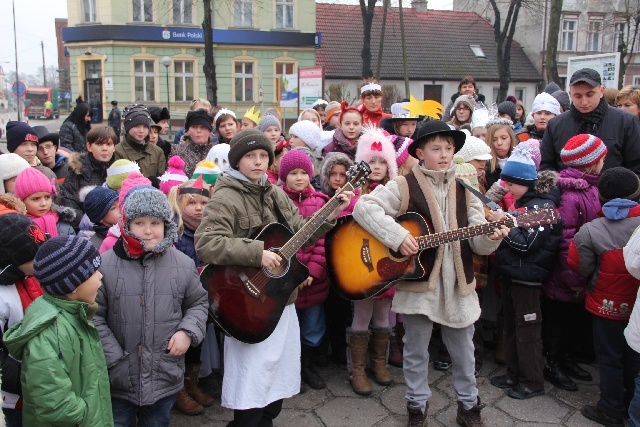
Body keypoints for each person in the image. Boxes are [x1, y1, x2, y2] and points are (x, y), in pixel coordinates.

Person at [352, 120, 508, 426]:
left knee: (464, 352)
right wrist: (396, 236)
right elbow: (364, 207)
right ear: (420, 152)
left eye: (449, 148)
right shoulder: (404, 185)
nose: (444, 154)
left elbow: (478, 243)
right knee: (415, 350)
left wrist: (493, 235)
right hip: (418, 282)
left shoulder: (466, 189)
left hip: (458, 283)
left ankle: (468, 406)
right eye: (436, 148)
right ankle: (416, 405)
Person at [194, 129, 353, 427]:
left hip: (279, 299)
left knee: (279, 373)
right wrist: (257, 253)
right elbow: (206, 243)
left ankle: (265, 420)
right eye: (250, 156)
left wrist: (331, 215)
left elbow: (300, 232)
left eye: (263, 156)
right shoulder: (226, 197)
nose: (257, 162)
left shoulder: (275, 192)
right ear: (237, 161)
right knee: (251, 379)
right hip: (244, 301)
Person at [95, 185, 208, 427]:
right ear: (126, 224)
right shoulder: (105, 265)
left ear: (166, 225)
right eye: (140, 223)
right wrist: (114, 358)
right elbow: (94, 316)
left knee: (157, 421)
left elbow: (198, 302)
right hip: (118, 376)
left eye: (155, 223)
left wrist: (187, 331)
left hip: (164, 373)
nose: (148, 231)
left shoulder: (182, 264)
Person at [4, 236, 113, 427]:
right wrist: (82, 415)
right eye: (94, 273)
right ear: (72, 287)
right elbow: (51, 399)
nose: (100, 276)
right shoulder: (52, 330)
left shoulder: (73, 313)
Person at [569, 167, 640, 426]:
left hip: (605, 307)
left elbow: (579, 265)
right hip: (636, 306)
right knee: (634, 355)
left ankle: (610, 408)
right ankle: (634, 402)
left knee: (609, 357)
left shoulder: (591, 230)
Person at [490, 144, 562, 400]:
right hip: (512, 276)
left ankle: (532, 381)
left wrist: (503, 221)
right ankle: (513, 374)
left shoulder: (544, 209)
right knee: (510, 327)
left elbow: (525, 244)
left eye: (510, 184)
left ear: (524, 182)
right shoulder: (525, 204)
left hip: (527, 280)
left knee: (527, 332)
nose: (506, 189)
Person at [541, 134, 607, 393]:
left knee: (571, 322)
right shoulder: (571, 195)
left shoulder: (592, 188)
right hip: (566, 274)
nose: (604, 161)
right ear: (590, 163)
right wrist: (574, 277)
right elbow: (567, 238)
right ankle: (553, 363)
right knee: (557, 323)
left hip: (581, 272)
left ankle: (567, 359)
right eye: (601, 158)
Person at [347, 127, 398, 396]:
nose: (376, 167)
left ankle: (379, 363)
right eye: (371, 161)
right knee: (361, 316)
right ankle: (357, 369)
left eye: (382, 161)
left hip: (388, 263)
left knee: (383, 316)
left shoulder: (396, 192)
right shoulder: (353, 192)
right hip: (361, 264)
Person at [278, 150, 331, 390]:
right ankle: (291, 369)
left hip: (312, 280)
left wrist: (310, 271)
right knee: (288, 328)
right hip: (286, 278)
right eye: (293, 173)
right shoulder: (277, 201)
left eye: (303, 173)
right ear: (283, 176)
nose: (299, 178)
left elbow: (321, 243)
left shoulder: (320, 202)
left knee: (312, 327)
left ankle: (307, 365)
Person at [167, 178, 216, 416]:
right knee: (179, 347)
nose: (198, 208)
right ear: (179, 202)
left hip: (202, 299)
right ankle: (177, 390)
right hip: (179, 301)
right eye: (192, 202)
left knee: (197, 342)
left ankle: (191, 383)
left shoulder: (211, 229)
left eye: (204, 202)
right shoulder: (175, 231)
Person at [541, 68, 640, 173]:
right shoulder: (556, 124)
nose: (584, 102)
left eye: (590, 95)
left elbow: (636, 165)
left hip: (613, 188)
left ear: (601, 91)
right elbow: (547, 166)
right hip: (566, 188)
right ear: (570, 94)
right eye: (577, 96)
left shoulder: (626, 122)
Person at [0, 213, 46, 427]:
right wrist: (13, 371)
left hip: (39, 378)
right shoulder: (3, 297)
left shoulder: (32, 276)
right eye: (32, 258)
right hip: (15, 388)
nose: (40, 261)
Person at [319, 153, 357, 365]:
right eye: (332, 174)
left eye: (342, 174)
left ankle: (341, 349)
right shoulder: (320, 199)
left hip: (346, 264)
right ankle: (323, 349)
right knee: (326, 309)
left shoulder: (354, 201)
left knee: (343, 310)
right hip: (323, 263)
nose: (337, 179)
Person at [59, 126, 117, 228]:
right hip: (86, 228)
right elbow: (68, 201)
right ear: (89, 146)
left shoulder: (120, 170)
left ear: (114, 147)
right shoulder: (78, 170)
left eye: (109, 144)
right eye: (99, 144)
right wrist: (88, 222)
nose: (104, 148)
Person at [15, 167, 76, 238]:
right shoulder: (18, 228)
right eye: (36, 199)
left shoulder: (64, 224)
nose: (44, 203)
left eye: (47, 197)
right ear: (22, 201)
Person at [114, 104, 166, 182]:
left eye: (145, 127)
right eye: (137, 126)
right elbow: (117, 182)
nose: (141, 130)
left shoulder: (157, 151)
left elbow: (162, 179)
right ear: (128, 127)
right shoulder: (118, 151)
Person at [171, 109, 216, 177]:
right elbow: (172, 177)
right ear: (188, 130)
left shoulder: (216, 151)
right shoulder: (177, 151)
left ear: (209, 131)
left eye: (203, 127)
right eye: (194, 127)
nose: (198, 131)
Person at [288, 120, 324, 189]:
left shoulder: (320, 163)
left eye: (295, 137)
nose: (291, 141)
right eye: (291, 137)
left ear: (308, 140)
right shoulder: (288, 158)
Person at [485, 120, 518, 188]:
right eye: (494, 140)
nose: (499, 143)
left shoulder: (520, 162)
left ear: (511, 138)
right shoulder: (486, 167)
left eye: (504, 138)